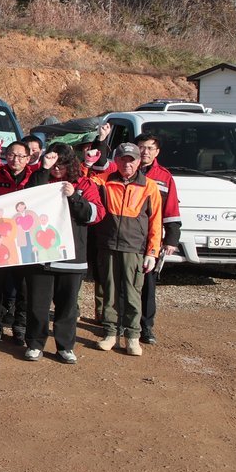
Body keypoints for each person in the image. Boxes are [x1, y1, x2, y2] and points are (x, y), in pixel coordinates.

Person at [23, 144, 104, 363]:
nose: (57, 168)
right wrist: (43, 169)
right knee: (37, 304)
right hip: (40, 256)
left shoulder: (84, 184)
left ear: (71, 164)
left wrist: (74, 197)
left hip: (72, 258)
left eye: (62, 164)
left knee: (67, 306)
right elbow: (26, 201)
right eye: (53, 163)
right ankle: (35, 344)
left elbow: (96, 215)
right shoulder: (40, 179)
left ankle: (65, 347)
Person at [91, 142, 162, 357]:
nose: (127, 164)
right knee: (110, 292)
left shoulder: (149, 186)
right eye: (123, 160)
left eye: (131, 160)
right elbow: (85, 179)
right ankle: (110, 333)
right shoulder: (104, 180)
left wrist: (152, 252)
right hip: (108, 245)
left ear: (139, 162)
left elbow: (156, 221)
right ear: (116, 161)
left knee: (132, 294)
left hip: (134, 248)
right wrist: (93, 154)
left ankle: (132, 337)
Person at [0, 139, 37, 345]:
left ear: (28, 158)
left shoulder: (35, 178)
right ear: (6, 156)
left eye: (21, 156)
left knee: (24, 289)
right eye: (12, 155)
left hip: (24, 242)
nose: (16, 159)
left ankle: (19, 327)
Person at [135, 133, 181, 345]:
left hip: (151, 239)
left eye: (150, 148)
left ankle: (146, 327)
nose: (145, 152)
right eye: (141, 147)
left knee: (148, 284)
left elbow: (171, 209)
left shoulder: (164, 177)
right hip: (126, 236)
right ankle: (121, 323)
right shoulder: (126, 170)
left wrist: (171, 238)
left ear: (157, 152)